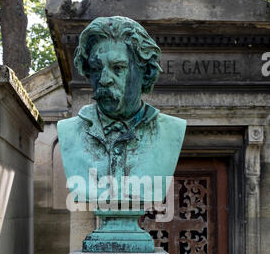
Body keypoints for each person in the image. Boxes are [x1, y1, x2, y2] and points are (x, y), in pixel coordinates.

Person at [58, 16, 186, 207]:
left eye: (118, 68)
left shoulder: (170, 131)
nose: (103, 79)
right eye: (96, 68)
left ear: (145, 73)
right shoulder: (70, 132)